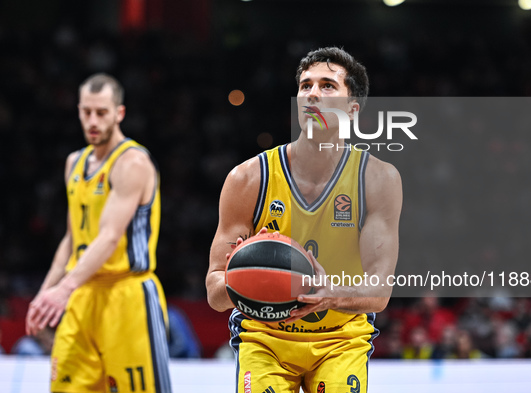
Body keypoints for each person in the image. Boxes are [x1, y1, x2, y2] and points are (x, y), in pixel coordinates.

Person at [207, 47, 402, 392]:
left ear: (352, 110)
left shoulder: (377, 180)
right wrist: (243, 281)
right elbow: (214, 291)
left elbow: (380, 291)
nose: (312, 93)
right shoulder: (247, 179)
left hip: (340, 338)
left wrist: (330, 294)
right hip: (265, 337)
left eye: (328, 86)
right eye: (305, 85)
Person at [25, 73, 172, 393]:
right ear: (78, 110)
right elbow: (72, 237)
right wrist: (45, 291)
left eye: (101, 112)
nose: (93, 121)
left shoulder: (132, 162)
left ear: (119, 113)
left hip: (127, 295)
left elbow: (109, 237)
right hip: (82, 293)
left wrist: (63, 290)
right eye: (86, 112)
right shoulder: (73, 163)